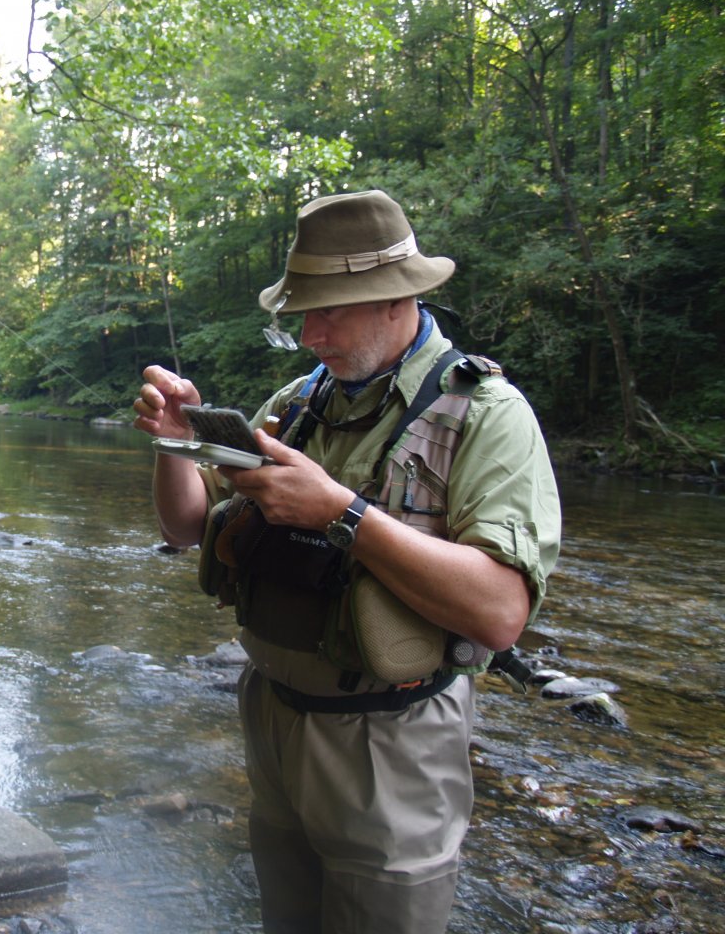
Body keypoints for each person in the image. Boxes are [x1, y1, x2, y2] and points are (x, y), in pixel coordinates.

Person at [132, 189, 561, 934]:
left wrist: (341, 513)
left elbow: (498, 612)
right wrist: (177, 443)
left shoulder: (488, 414)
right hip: (271, 720)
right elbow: (187, 528)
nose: (310, 333)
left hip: (392, 741)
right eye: (303, 312)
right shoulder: (298, 402)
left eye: (328, 310)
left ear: (396, 300)